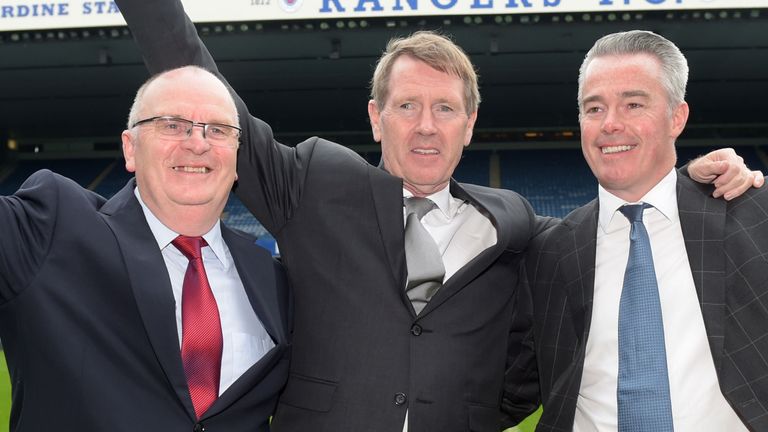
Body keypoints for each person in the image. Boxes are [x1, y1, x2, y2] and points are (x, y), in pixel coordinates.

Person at [115, 1, 762, 430]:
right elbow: (200, 80)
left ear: (470, 122)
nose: (426, 127)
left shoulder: (516, 225)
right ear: (376, 115)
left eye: (445, 109)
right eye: (407, 106)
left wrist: (684, 182)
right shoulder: (315, 181)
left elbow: (616, 230)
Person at [0, 66, 291, 432]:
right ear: (130, 148)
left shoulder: (277, 280)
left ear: (236, 159)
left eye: (218, 130)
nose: (197, 143)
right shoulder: (50, 227)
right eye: (171, 124)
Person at [520, 30, 768, 431]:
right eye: (594, 108)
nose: (610, 124)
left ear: (677, 117)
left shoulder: (754, 211)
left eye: (633, 104)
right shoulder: (552, 250)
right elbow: (510, 383)